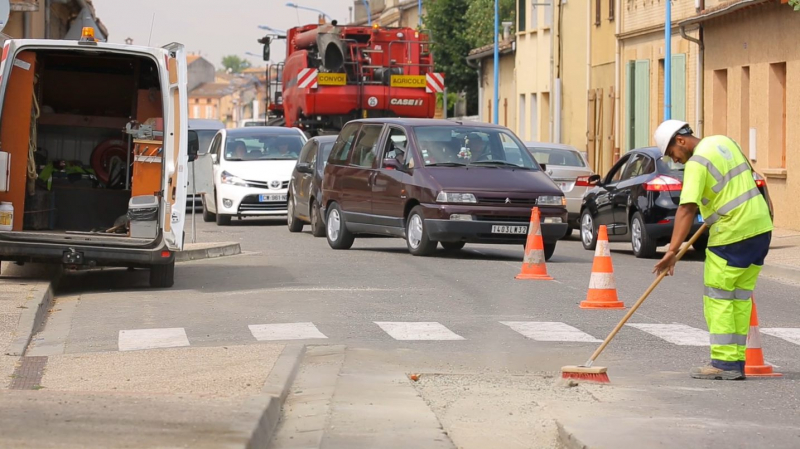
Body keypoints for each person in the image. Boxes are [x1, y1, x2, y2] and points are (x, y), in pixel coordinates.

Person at [652, 120, 773, 381]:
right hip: (760, 229)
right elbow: (750, 181)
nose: (675, 160)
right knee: (739, 297)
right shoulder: (725, 141)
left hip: (732, 233)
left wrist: (672, 250)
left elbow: (686, 208)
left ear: (681, 140)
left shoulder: (697, 163)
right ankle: (736, 360)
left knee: (718, 298)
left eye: (672, 153)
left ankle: (724, 363)